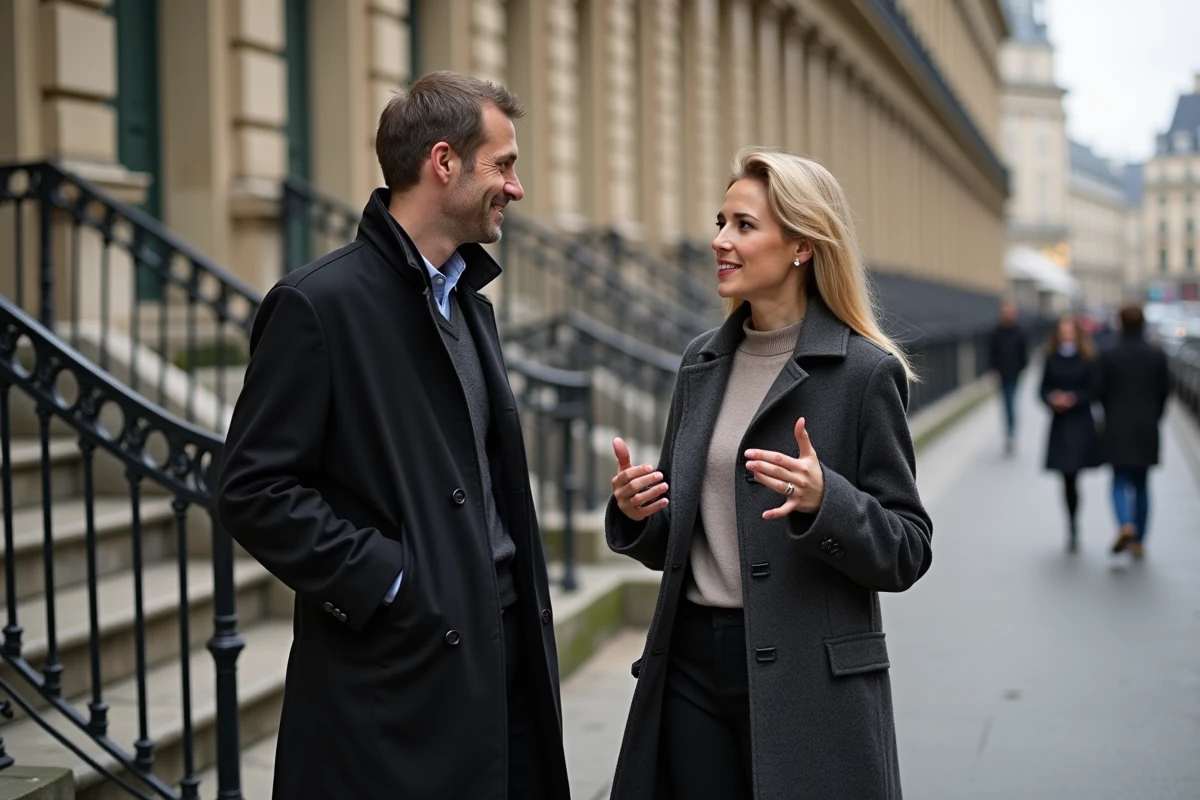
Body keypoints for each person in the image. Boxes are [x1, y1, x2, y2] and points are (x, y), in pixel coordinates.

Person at [216, 71, 570, 799]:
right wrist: (393, 580)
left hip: (501, 661)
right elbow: (251, 488)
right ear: (443, 163)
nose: (517, 187)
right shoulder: (318, 305)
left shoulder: (470, 304)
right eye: (503, 165)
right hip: (394, 682)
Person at [604, 148, 933, 800]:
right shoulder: (701, 363)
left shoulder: (865, 373)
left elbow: (908, 549)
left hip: (811, 681)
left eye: (743, 225)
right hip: (692, 664)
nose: (719, 241)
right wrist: (641, 513)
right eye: (721, 221)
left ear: (802, 246)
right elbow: (690, 530)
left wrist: (826, 501)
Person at [1097, 304, 1170, 559]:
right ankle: (1139, 540)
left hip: (1117, 426)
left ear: (1119, 324)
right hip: (1147, 426)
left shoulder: (1108, 355)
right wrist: (1155, 417)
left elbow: (1099, 392)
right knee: (1142, 484)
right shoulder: (1156, 355)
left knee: (1119, 480)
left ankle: (1125, 524)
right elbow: (1164, 393)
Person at [1039, 315, 1100, 553]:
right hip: (1061, 424)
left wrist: (1074, 399)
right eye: (1062, 331)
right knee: (1066, 478)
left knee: (1075, 475)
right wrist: (1052, 399)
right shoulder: (1051, 358)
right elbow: (1041, 390)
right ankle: (1071, 522)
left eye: (1069, 331)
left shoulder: (1087, 357)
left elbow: (1094, 390)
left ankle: (1075, 520)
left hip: (1081, 422)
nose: (1066, 335)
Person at [988, 297, 1029, 455]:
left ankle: (1011, 433)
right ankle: (1009, 432)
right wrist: (993, 370)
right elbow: (992, 354)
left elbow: (1024, 355)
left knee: (1011, 403)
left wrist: (1021, 370)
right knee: (1005, 404)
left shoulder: (1020, 333)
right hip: (1001, 374)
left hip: (1014, 374)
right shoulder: (996, 333)